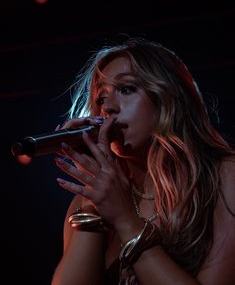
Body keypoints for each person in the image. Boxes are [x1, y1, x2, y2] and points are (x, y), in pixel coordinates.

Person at [51, 37, 235, 285]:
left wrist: (126, 221)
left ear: (168, 97)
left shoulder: (223, 176)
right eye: (100, 98)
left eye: (126, 89)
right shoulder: (86, 202)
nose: (109, 108)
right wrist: (93, 201)